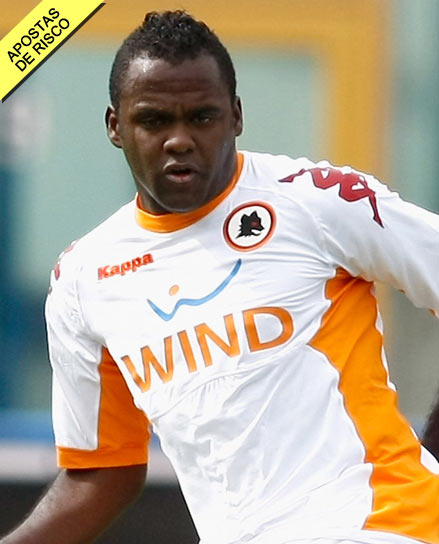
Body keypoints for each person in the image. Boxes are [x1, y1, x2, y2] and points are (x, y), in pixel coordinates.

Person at [2, 10, 438, 544]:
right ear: (116, 126)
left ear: (235, 116)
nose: (179, 140)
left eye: (202, 118)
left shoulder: (318, 200)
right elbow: (101, 472)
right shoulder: (83, 279)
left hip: (380, 525)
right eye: (154, 121)